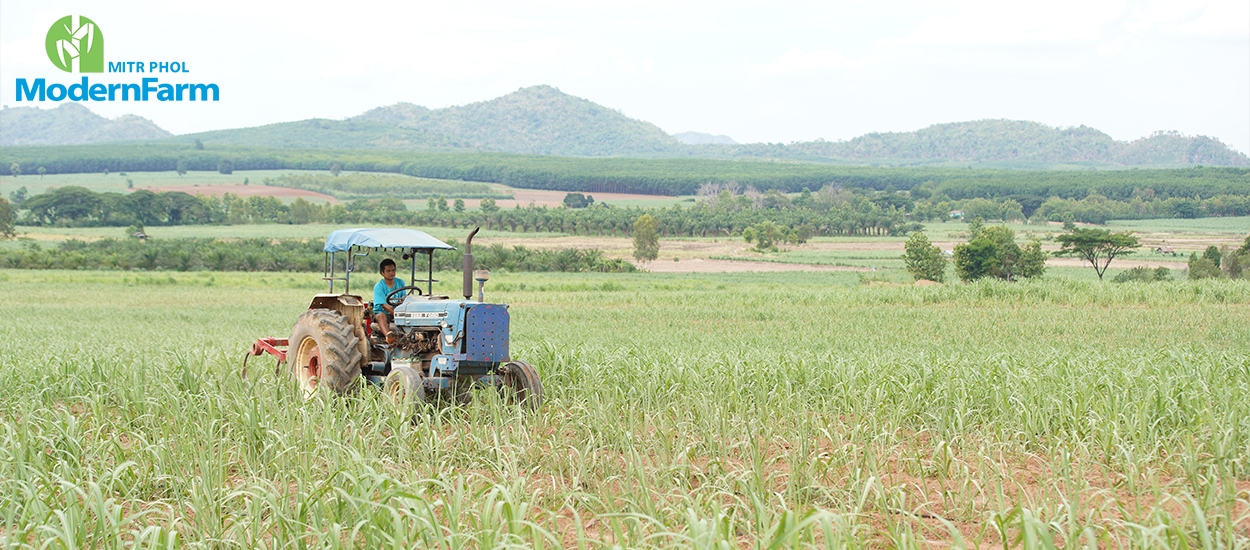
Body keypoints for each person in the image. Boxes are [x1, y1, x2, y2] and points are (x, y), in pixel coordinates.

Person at [373, 258, 406, 336]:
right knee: (381, 316)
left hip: (397, 310)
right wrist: (396, 313)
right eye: (388, 271)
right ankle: (389, 337)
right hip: (384, 313)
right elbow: (384, 305)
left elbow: (404, 299)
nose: (392, 273)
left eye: (393, 270)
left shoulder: (400, 282)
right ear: (382, 273)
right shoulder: (379, 286)